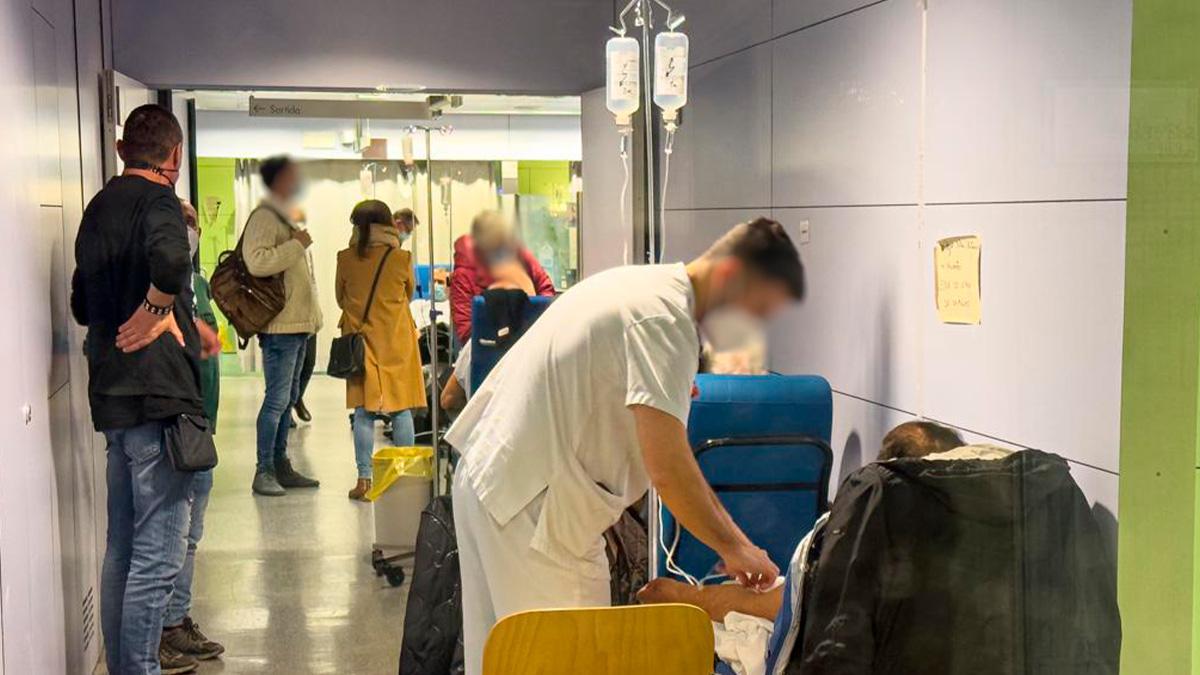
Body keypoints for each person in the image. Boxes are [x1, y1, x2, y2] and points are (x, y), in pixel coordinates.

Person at [448, 217, 805, 674]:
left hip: (491, 482)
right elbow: (668, 469)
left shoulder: (636, 287)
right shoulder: (666, 320)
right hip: (534, 516)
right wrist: (737, 548)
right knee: (570, 661)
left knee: (506, 660)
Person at [70, 103, 217, 675]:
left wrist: (134, 310)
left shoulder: (99, 207)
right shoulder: (159, 202)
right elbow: (173, 259)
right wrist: (157, 308)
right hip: (159, 401)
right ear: (175, 156)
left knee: (122, 551)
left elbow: (83, 303)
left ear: (121, 149)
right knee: (158, 557)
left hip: (113, 398)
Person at [636, 421, 967, 623]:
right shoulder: (981, 539)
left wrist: (697, 596)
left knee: (766, 602)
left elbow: (785, 607)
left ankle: (689, 599)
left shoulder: (862, 539)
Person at [159, 200, 225, 665]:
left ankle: (178, 621)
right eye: (182, 226)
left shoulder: (197, 285)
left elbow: (211, 345)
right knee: (169, 537)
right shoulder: (159, 291)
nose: (190, 233)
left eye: (193, 226)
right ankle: (160, 630)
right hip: (173, 427)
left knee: (191, 535)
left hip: (202, 426)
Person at [336, 199, 427, 500]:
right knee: (400, 410)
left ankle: (364, 479)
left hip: (361, 341)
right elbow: (409, 292)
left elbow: (341, 297)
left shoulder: (346, 258)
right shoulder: (401, 258)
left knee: (363, 411)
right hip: (396, 339)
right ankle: (404, 475)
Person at [243, 155, 322, 496]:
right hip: (281, 328)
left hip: (299, 326)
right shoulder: (264, 217)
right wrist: (296, 245)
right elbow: (256, 262)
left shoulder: (283, 216)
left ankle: (281, 464)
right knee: (276, 400)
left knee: (288, 398)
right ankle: (264, 470)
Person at [449, 210, 555, 344]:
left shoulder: (522, 259)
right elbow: (465, 332)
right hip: (487, 348)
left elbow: (547, 298)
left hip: (528, 341)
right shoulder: (464, 274)